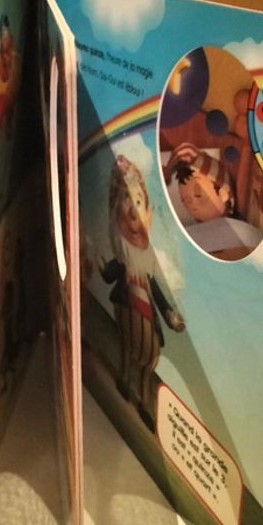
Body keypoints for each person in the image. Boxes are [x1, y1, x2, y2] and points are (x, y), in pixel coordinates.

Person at [100, 154, 185, 425]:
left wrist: (170, 314)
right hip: (126, 304)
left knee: (150, 355)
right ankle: (126, 382)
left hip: (146, 310)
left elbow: (156, 289)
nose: (133, 212)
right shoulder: (122, 254)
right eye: (127, 201)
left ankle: (144, 398)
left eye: (138, 202)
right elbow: (109, 274)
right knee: (129, 347)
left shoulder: (148, 258)